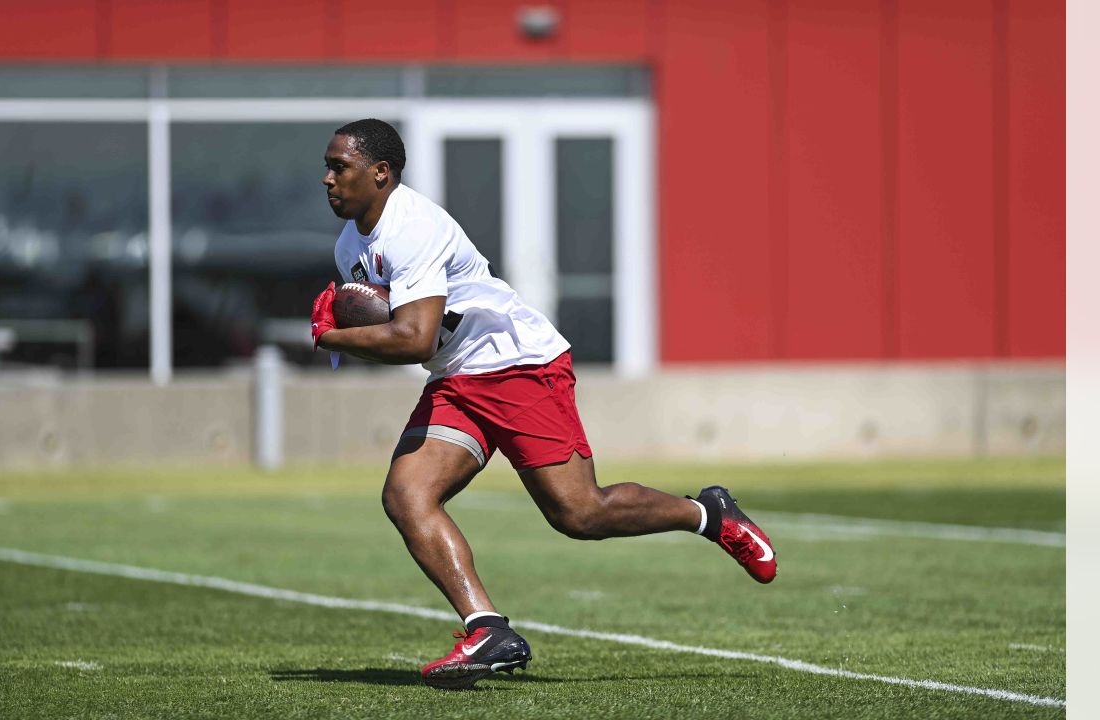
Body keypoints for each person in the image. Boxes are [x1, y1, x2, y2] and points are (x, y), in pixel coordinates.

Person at [309, 119, 776, 690]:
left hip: (518, 365)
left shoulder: (411, 226)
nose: (328, 178)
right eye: (328, 167)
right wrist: (353, 334)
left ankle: (708, 513)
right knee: (407, 495)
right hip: (458, 378)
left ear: (381, 172)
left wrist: (333, 337)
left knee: (580, 514)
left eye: (340, 167)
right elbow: (408, 341)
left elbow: (414, 338)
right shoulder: (349, 244)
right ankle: (487, 630)